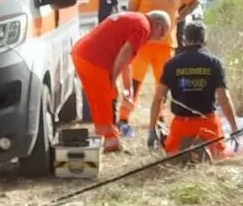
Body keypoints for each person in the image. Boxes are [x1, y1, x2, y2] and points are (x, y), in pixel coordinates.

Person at [119, 0, 201, 136]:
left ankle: (160, 120)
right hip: (142, 43)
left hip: (166, 45)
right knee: (134, 83)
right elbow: (132, 10)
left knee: (163, 85)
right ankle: (124, 119)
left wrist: (179, 17)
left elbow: (195, 1)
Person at [71, 10, 171, 152]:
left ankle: (105, 138)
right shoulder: (144, 28)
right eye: (160, 35)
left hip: (82, 54)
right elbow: (125, 53)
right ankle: (111, 141)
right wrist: (113, 78)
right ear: (158, 25)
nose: (156, 39)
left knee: (99, 98)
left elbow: (126, 57)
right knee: (106, 98)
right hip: (94, 59)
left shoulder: (136, 19)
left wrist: (128, 85)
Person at [146, 22, 240, 159]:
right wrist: (234, 128)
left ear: (184, 41)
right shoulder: (214, 63)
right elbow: (224, 99)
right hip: (207, 123)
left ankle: (181, 148)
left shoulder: (171, 64)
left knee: (173, 156)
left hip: (181, 125)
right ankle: (206, 149)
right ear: (205, 41)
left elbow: (158, 98)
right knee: (219, 156)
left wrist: (151, 129)